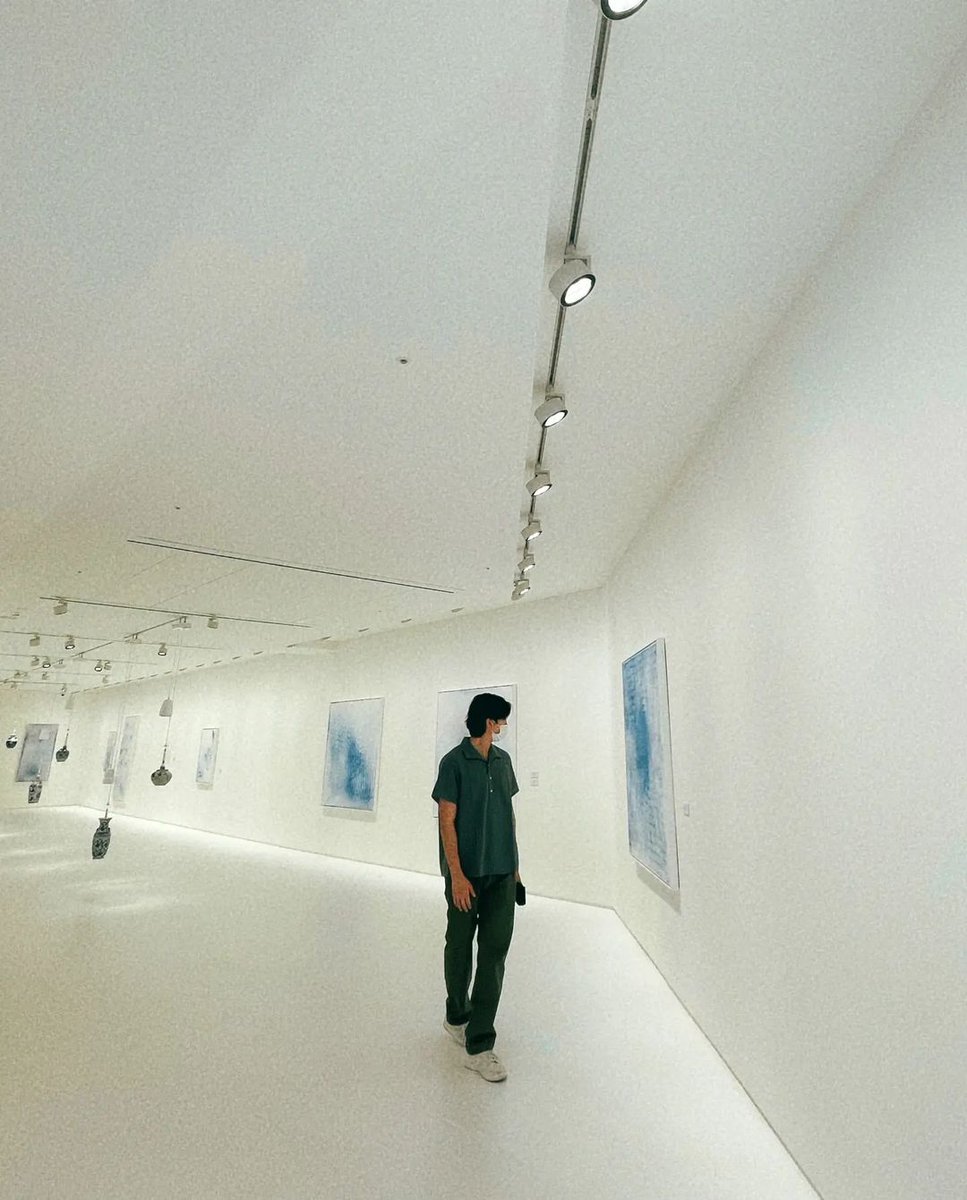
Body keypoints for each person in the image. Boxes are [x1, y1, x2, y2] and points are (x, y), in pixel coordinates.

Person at [432, 692, 521, 1082]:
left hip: (501, 874)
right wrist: (457, 875)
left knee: (494, 954)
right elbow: (446, 820)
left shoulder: (504, 762)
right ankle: (457, 1015)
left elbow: (508, 815)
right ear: (489, 721)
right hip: (466, 877)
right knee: (459, 947)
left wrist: (516, 868)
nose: (504, 726)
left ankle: (480, 1044)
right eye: (501, 720)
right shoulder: (453, 762)